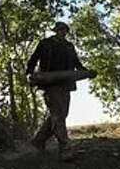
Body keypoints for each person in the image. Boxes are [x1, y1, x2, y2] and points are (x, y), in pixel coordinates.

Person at [26, 21, 87, 161]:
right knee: (58, 115)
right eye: (59, 29)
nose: (62, 32)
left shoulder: (69, 46)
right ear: (55, 30)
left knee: (61, 114)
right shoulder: (45, 43)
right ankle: (65, 149)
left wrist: (86, 72)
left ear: (66, 32)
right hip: (50, 83)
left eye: (64, 30)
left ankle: (38, 140)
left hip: (66, 83)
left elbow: (76, 62)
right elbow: (34, 58)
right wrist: (30, 72)